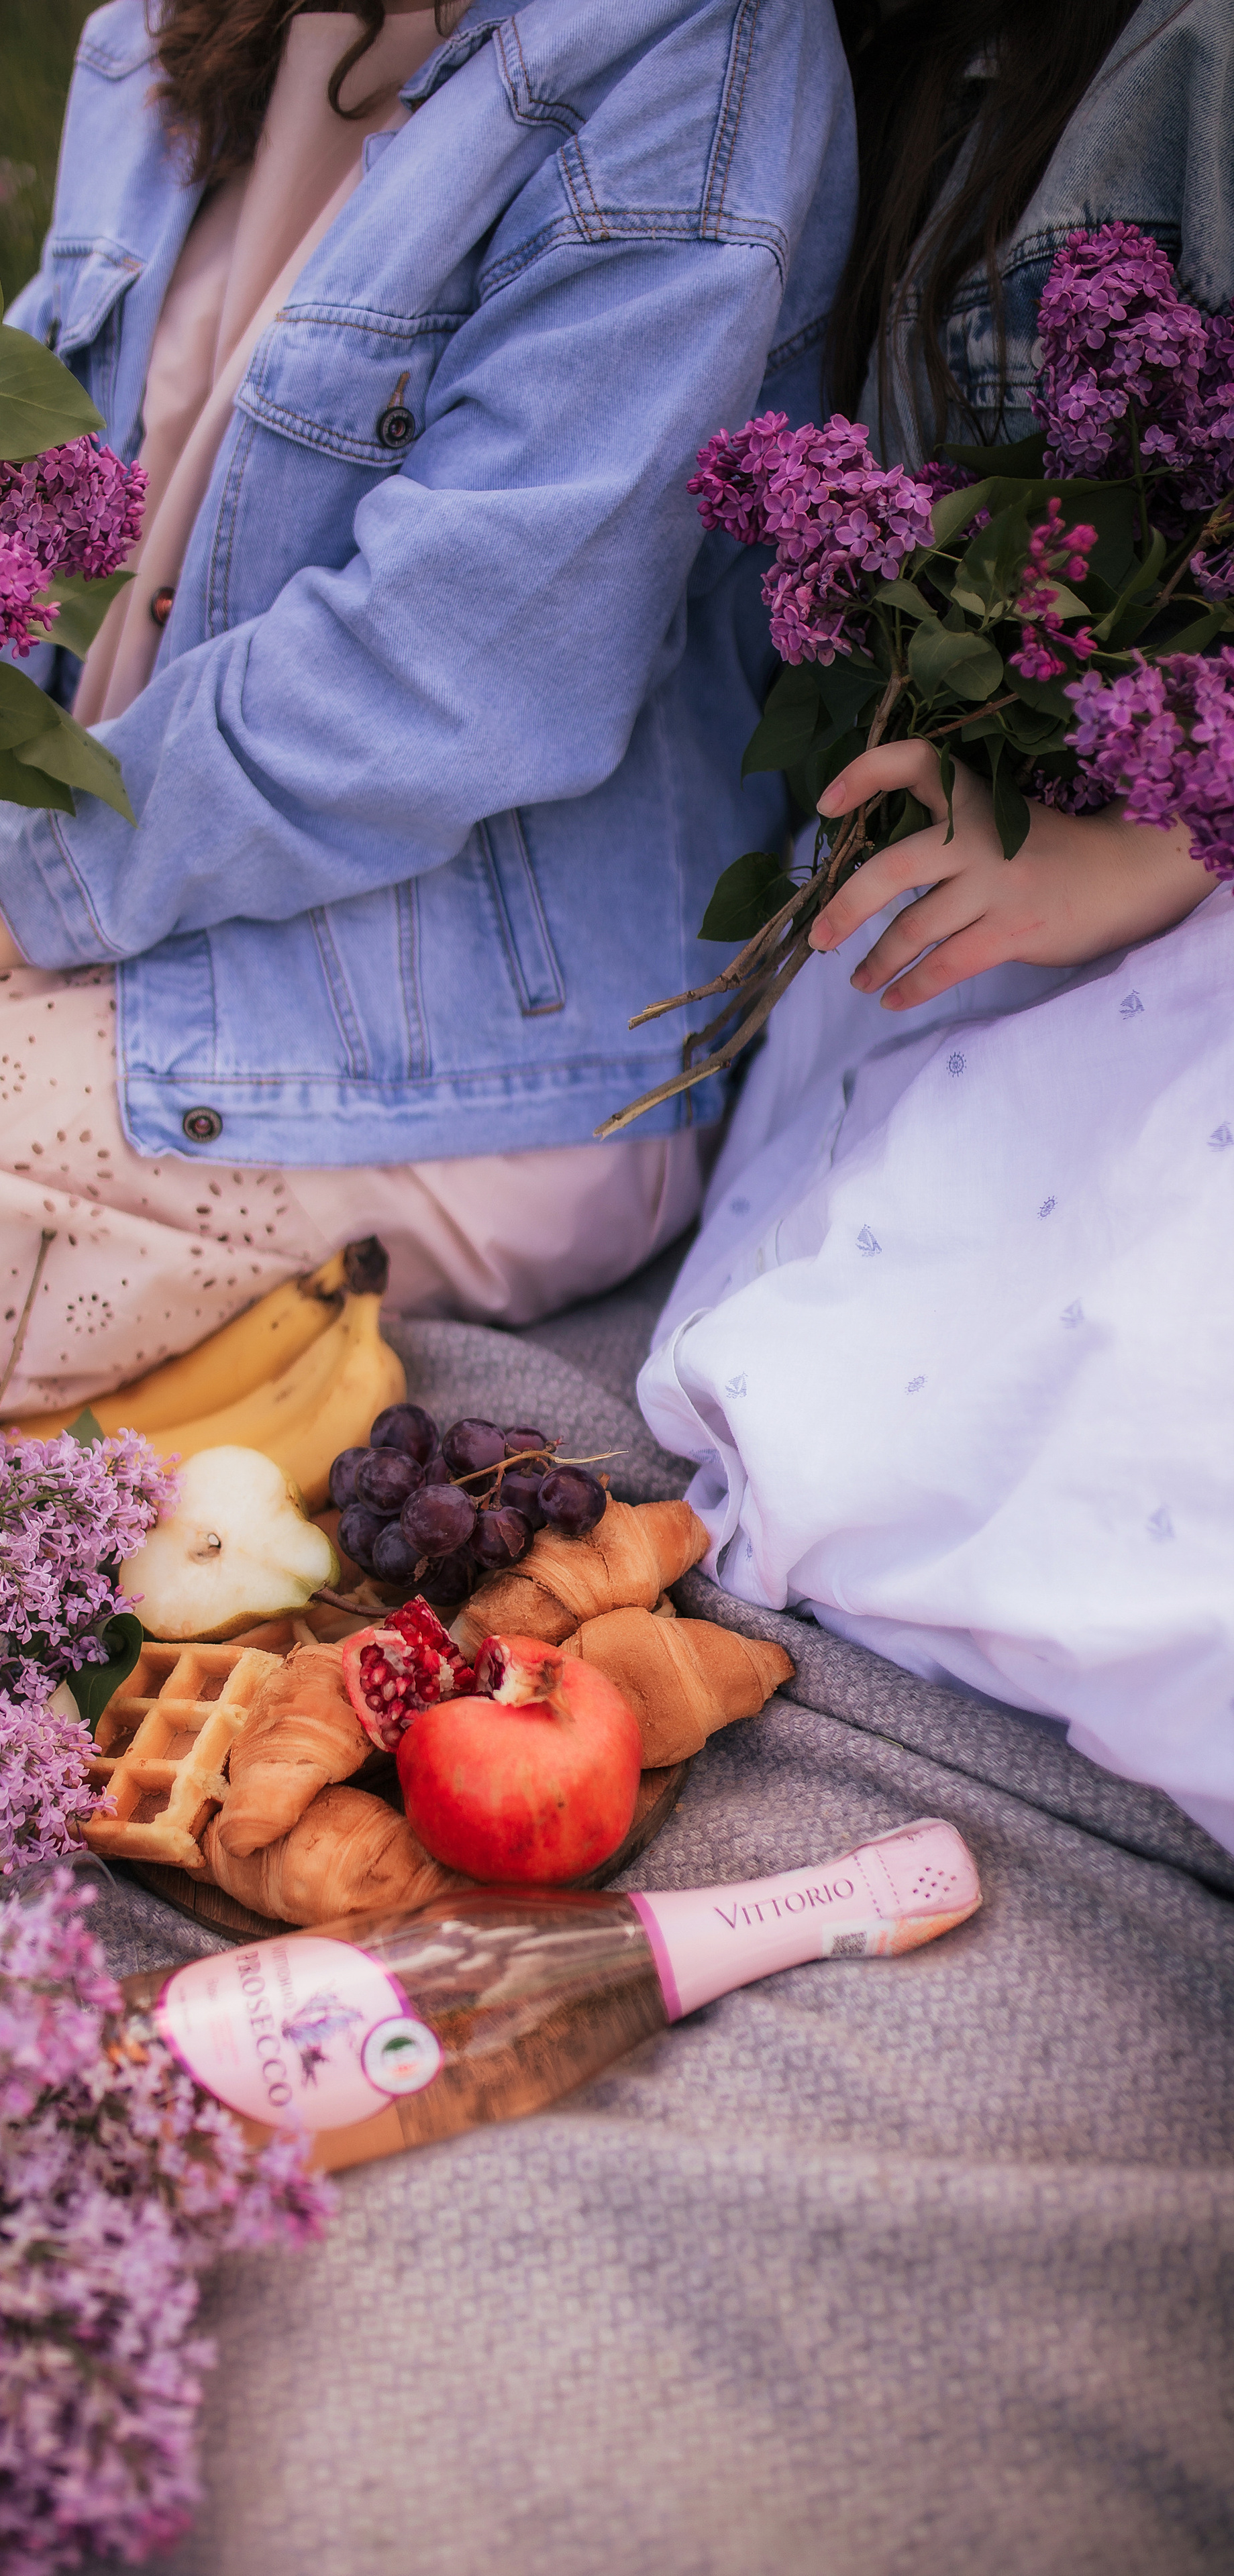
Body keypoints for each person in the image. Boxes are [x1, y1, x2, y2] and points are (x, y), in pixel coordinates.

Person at [0, 0, 853, 1424]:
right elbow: (4, 510)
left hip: (440, 1016)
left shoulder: (689, 55)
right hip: (115, 838)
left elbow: (459, 662)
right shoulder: (167, 32)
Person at [636, 0, 1234, 1851]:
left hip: (1174, 872)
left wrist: (1167, 830)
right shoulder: (825, 61)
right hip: (1001, 891)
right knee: (899, 1419)